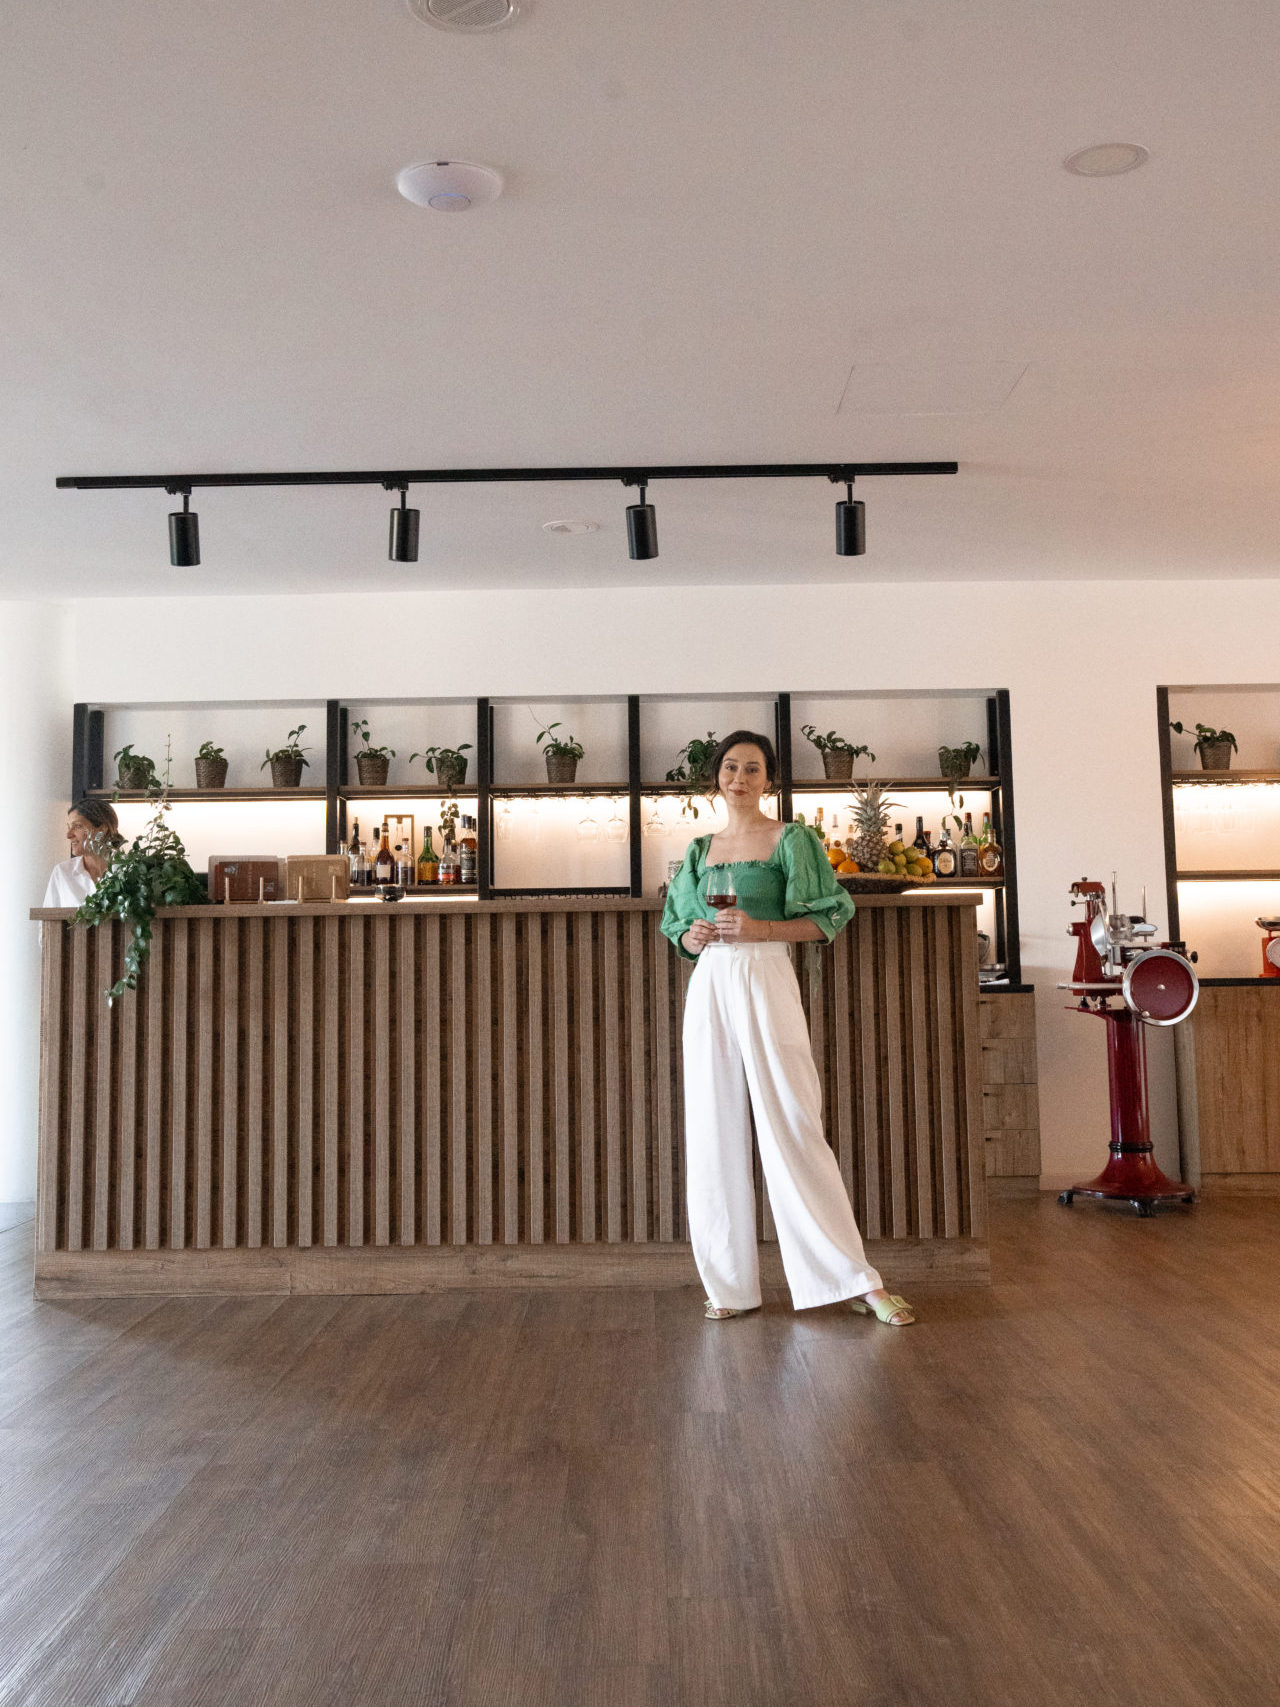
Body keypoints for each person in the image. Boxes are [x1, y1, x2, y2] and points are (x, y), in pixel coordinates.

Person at [660, 731, 915, 1326]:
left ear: (768, 779)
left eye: (752, 768)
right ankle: (729, 1285)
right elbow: (677, 922)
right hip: (711, 986)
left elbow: (831, 915)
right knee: (711, 1128)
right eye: (730, 767)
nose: (739, 777)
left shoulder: (790, 839)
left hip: (766, 975)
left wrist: (761, 931)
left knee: (794, 1123)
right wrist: (691, 937)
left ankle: (854, 1280)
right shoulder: (701, 850)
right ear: (716, 778)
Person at [43, 798, 121, 907]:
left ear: (102, 829)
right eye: (69, 827)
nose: (68, 835)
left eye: (78, 826)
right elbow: (47, 922)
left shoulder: (130, 870)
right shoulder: (62, 872)